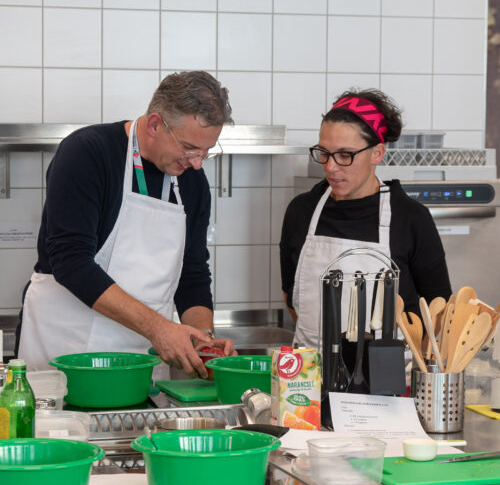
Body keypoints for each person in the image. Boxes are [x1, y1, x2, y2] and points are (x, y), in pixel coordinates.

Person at [17, 71, 236, 378]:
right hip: (66, 349)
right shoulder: (87, 153)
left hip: (142, 359)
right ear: (155, 124)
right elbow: (71, 262)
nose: (197, 163)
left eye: (206, 152)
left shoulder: (192, 181)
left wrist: (204, 340)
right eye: (189, 148)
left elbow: (192, 272)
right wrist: (159, 329)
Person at [280, 88, 452, 349]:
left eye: (345, 155)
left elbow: (439, 308)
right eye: (324, 153)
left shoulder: (410, 218)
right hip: (310, 370)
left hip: (392, 372)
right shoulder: (301, 211)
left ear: (377, 153)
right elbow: (291, 296)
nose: (330, 167)